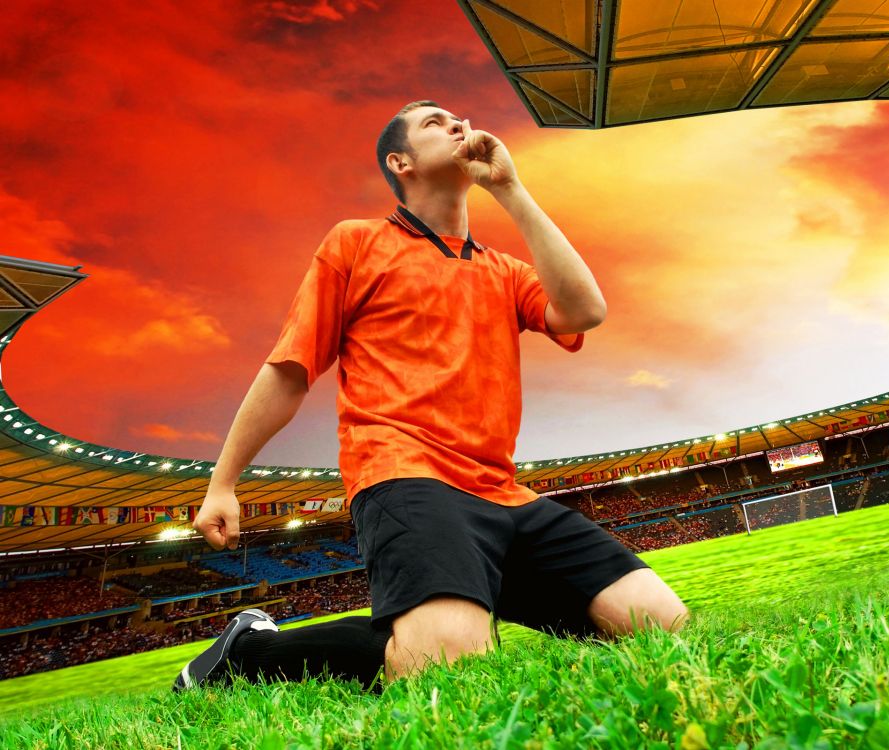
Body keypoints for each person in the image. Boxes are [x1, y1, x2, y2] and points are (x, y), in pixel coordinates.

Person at [175, 100, 688, 691]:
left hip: (503, 491)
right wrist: (223, 483)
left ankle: (462, 605)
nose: (457, 125)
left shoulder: (505, 271)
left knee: (664, 628)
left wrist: (511, 189)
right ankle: (251, 652)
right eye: (434, 123)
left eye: (457, 119)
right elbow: (289, 371)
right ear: (401, 162)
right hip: (406, 475)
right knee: (452, 668)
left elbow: (585, 311)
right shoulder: (355, 243)